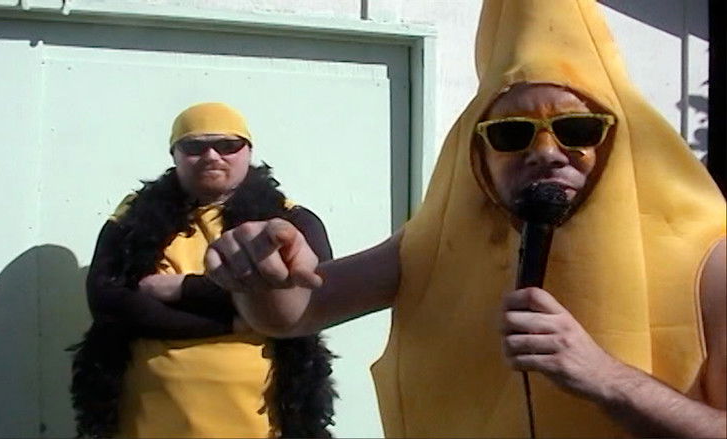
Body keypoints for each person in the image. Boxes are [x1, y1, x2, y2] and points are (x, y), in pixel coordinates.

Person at [203, 1, 727, 437]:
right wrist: (264, 275)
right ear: (477, 155)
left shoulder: (708, 259)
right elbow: (298, 311)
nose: (546, 152)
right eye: (511, 134)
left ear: (617, 137)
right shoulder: (438, 243)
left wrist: (607, 379)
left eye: (577, 129)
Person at [69, 102, 337, 438]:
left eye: (227, 145)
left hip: (260, 420)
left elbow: (309, 298)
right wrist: (236, 320)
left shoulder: (290, 221)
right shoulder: (131, 219)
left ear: (248, 151)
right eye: (194, 147)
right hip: (149, 419)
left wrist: (181, 289)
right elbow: (108, 302)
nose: (211, 156)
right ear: (175, 155)